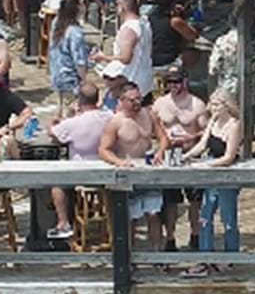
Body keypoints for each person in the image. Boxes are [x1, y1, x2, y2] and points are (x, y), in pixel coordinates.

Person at [99, 81, 167, 249]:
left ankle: (157, 254)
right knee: (132, 217)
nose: (137, 103)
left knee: (154, 213)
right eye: (132, 100)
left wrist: (160, 151)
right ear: (122, 101)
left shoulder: (148, 114)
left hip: (148, 170)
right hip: (129, 173)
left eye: (139, 99)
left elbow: (163, 137)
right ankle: (129, 255)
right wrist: (119, 162)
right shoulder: (116, 122)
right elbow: (103, 149)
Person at [178, 88, 243, 254]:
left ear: (227, 105)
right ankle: (205, 254)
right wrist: (186, 156)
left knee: (228, 218)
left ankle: (231, 256)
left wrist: (205, 165)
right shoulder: (213, 122)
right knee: (205, 216)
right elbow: (202, 145)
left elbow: (229, 157)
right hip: (212, 171)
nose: (213, 108)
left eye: (217, 104)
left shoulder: (234, 125)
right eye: (212, 104)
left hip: (227, 173)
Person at [48, 79, 112, 239]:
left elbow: (53, 134)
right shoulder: (109, 117)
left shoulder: (73, 123)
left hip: (81, 173)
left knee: (56, 184)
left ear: (80, 100)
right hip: (106, 170)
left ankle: (63, 223)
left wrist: (52, 123)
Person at [154, 66, 208, 249]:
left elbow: (206, 132)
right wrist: (162, 140)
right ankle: (170, 238)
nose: (173, 85)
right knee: (170, 202)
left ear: (185, 81)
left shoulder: (197, 104)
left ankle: (195, 235)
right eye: (169, 81)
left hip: (190, 156)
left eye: (176, 81)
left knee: (195, 201)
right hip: (169, 156)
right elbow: (154, 127)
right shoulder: (160, 103)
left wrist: (191, 137)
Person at [46, 0, 90, 116]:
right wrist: (84, 80)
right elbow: (79, 60)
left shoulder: (56, 23)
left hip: (57, 74)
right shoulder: (75, 32)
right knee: (69, 114)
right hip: (70, 78)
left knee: (59, 110)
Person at [112, 0, 155, 99]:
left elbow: (125, 58)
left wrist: (103, 57)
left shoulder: (129, 28)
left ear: (123, 6)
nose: (115, 7)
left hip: (131, 81)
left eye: (117, 4)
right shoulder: (145, 23)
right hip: (145, 79)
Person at [150, 0, 199, 74]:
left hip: (152, 61)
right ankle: (183, 73)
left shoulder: (148, 20)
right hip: (170, 61)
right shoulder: (174, 21)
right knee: (194, 53)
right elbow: (193, 35)